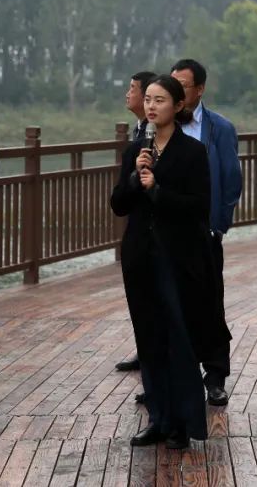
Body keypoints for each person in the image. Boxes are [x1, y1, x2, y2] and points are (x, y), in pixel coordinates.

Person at [110, 74, 222, 450]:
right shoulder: (136, 149)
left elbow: (199, 207)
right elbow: (118, 204)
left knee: (178, 339)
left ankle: (182, 423)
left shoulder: (192, 152)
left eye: (160, 100)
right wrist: (134, 178)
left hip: (178, 259)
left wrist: (157, 190)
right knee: (149, 339)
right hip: (140, 258)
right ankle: (157, 419)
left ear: (178, 106)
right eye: (148, 100)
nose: (151, 106)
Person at [170, 59, 240, 406]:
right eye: (172, 84)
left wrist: (219, 226)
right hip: (168, 234)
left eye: (183, 85)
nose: (176, 91)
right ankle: (172, 379)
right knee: (171, 306)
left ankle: (215, 377)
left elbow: (231, 179)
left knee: (210, 306)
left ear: (199, 89)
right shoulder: (158, 126)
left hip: (205, 233)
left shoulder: (219, 128)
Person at [114, 70, 157, 375]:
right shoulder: (138, 138)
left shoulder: (175, 144)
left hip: (162, 236)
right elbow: (119, 201)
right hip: (138, 235)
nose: (127, 94)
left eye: (132, 89)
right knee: (141, 301)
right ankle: (146, 354)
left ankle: (157, 361)